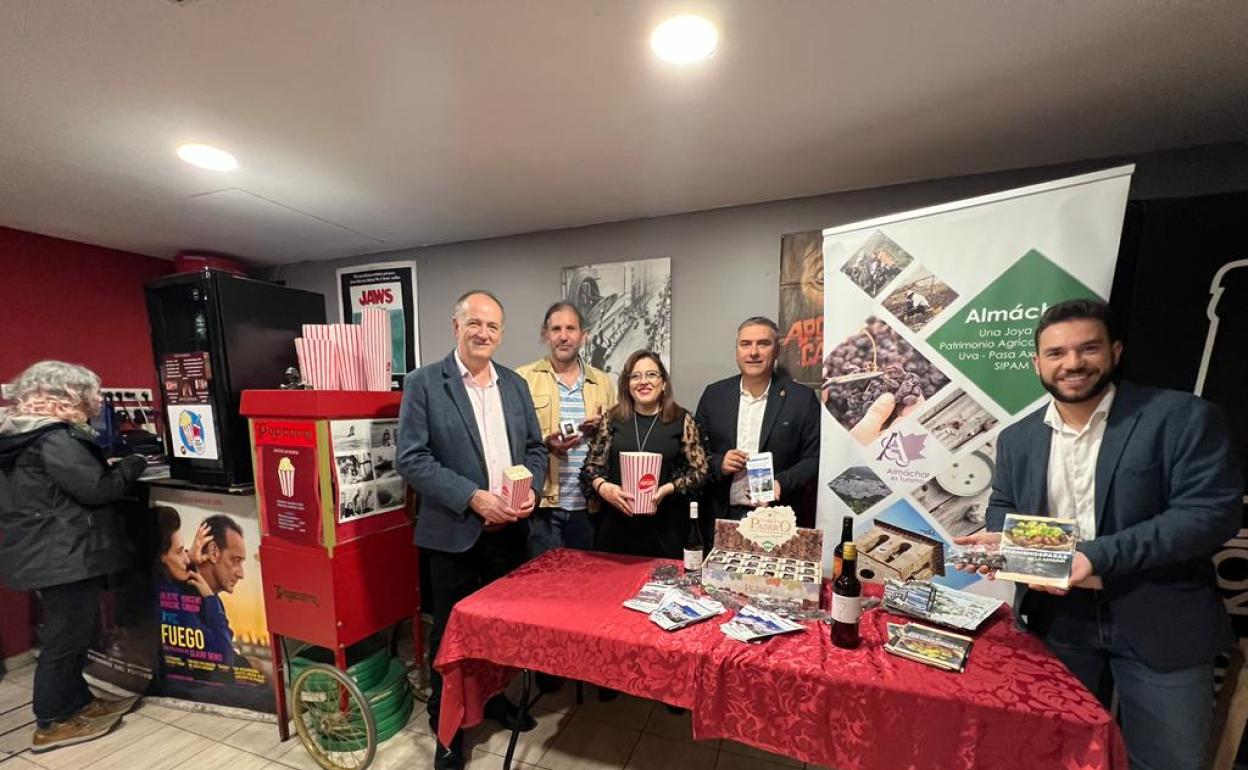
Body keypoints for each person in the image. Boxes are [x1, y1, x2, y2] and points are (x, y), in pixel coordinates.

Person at [955, 299, 1242, 770]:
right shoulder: (1018, 437)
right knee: (1054, 752)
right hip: (1058, 623)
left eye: (1087, 348)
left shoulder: (1179, 418)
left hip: (1160, 619)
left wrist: (1095, 557)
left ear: (1115, 350)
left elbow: (1209, 514)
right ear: (1037, 362)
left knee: (1166, 761)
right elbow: (1003, 507)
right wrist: (1005, 542)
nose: (1072, 364)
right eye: (1056, 353)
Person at [396, 290, 546, 770]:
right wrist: (472, 496)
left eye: (494, 327)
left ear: (502, 334)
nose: (484, 333)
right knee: (451, 638)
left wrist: (532, 490)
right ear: (455, 326)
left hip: (510, 535)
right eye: (475, 323)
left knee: (500, 634)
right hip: (455, 535)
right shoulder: (424, 383)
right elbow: (411, 458)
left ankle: (495, 701)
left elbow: (535, 449)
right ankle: (446, 730)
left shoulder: (515, 384)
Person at [0, 361, 146, 752]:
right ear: (68, 395)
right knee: (65, 639)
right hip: (61, 553)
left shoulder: (20, 434)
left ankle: (77, 703)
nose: (98, 400)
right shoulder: (53, 438)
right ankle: (51, 722)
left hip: (46, 550)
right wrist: (132, 465)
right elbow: (97, 490)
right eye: (92, 393)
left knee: (73, 633)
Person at [694, 317, 821, 535]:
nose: (753, 352)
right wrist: (719, 463)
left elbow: (814, 457)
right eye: (746, 344)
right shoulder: (713, 395)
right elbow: (694, 452)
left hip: (777, 518)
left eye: (763, 344)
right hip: (723, 516)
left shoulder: (802, 399)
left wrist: (781, 483)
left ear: (777, 350)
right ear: (737, 350)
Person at [581, 350, 708, 560]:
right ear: (627, 384)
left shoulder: (681, 419)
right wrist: (604, 488)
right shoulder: (612, 419)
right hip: (615, 528)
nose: (643, 381)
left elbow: (700, 471)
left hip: (665, 529)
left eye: (651, 375)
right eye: (636, 376)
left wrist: (668, 488)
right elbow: (591, 468)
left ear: (664, 383)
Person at [517, 301, 617, 558]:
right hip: (542, 506)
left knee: (584, 587)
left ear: (583, 335)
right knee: (542, 588)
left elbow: (617, 439)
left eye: (571, 328)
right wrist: (545, 443)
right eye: (556, 328)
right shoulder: (523, 379)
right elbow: (512, 440)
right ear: (545, 334)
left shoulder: (603, 382)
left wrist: (602, 430)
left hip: (589, 506)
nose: (563, 336)